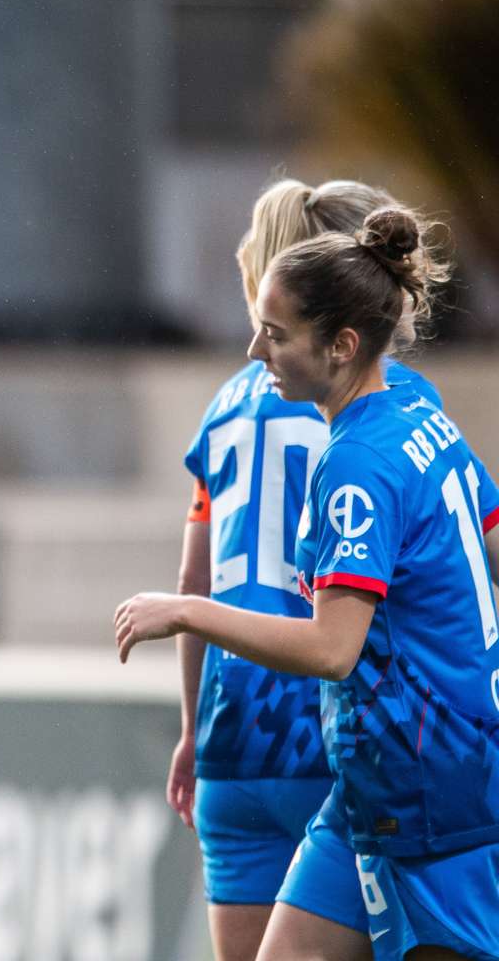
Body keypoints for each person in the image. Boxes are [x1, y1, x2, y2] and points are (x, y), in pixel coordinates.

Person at [117, 206, 499, 961]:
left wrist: (191, 612)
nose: (256, 349)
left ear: (341, 346)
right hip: (370, 786)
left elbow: (331, 648)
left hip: (434, 791)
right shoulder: (421, 418)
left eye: (277, 333)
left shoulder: (357, 462)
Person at [172, 180, 444, 961]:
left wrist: (193, 730)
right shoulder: (383, 400)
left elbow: (197, 580)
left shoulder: (226, 404)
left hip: (232, 742)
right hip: (335, 741)